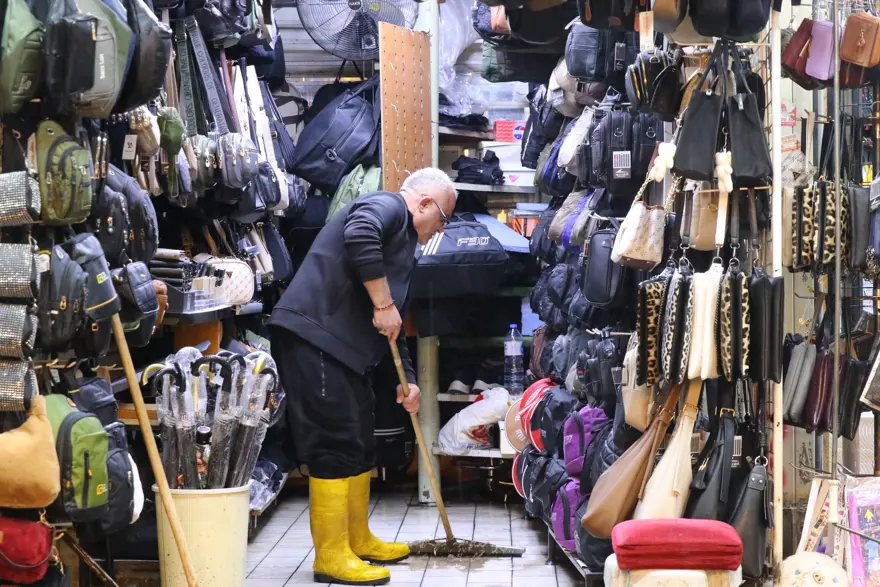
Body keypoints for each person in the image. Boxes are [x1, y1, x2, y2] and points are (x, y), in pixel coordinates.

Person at [270, 168, 457, 585]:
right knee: (334, 441)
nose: (440, 230)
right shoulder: (387, 205)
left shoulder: (403, 248)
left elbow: (393, 326)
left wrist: (407, 380)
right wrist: (383, 303)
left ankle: (356, 539)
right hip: (315, 337)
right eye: (443, 219)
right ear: (424, 203)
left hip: (347, 353)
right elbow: (360, 233)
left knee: (358, 441)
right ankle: (330, 556)